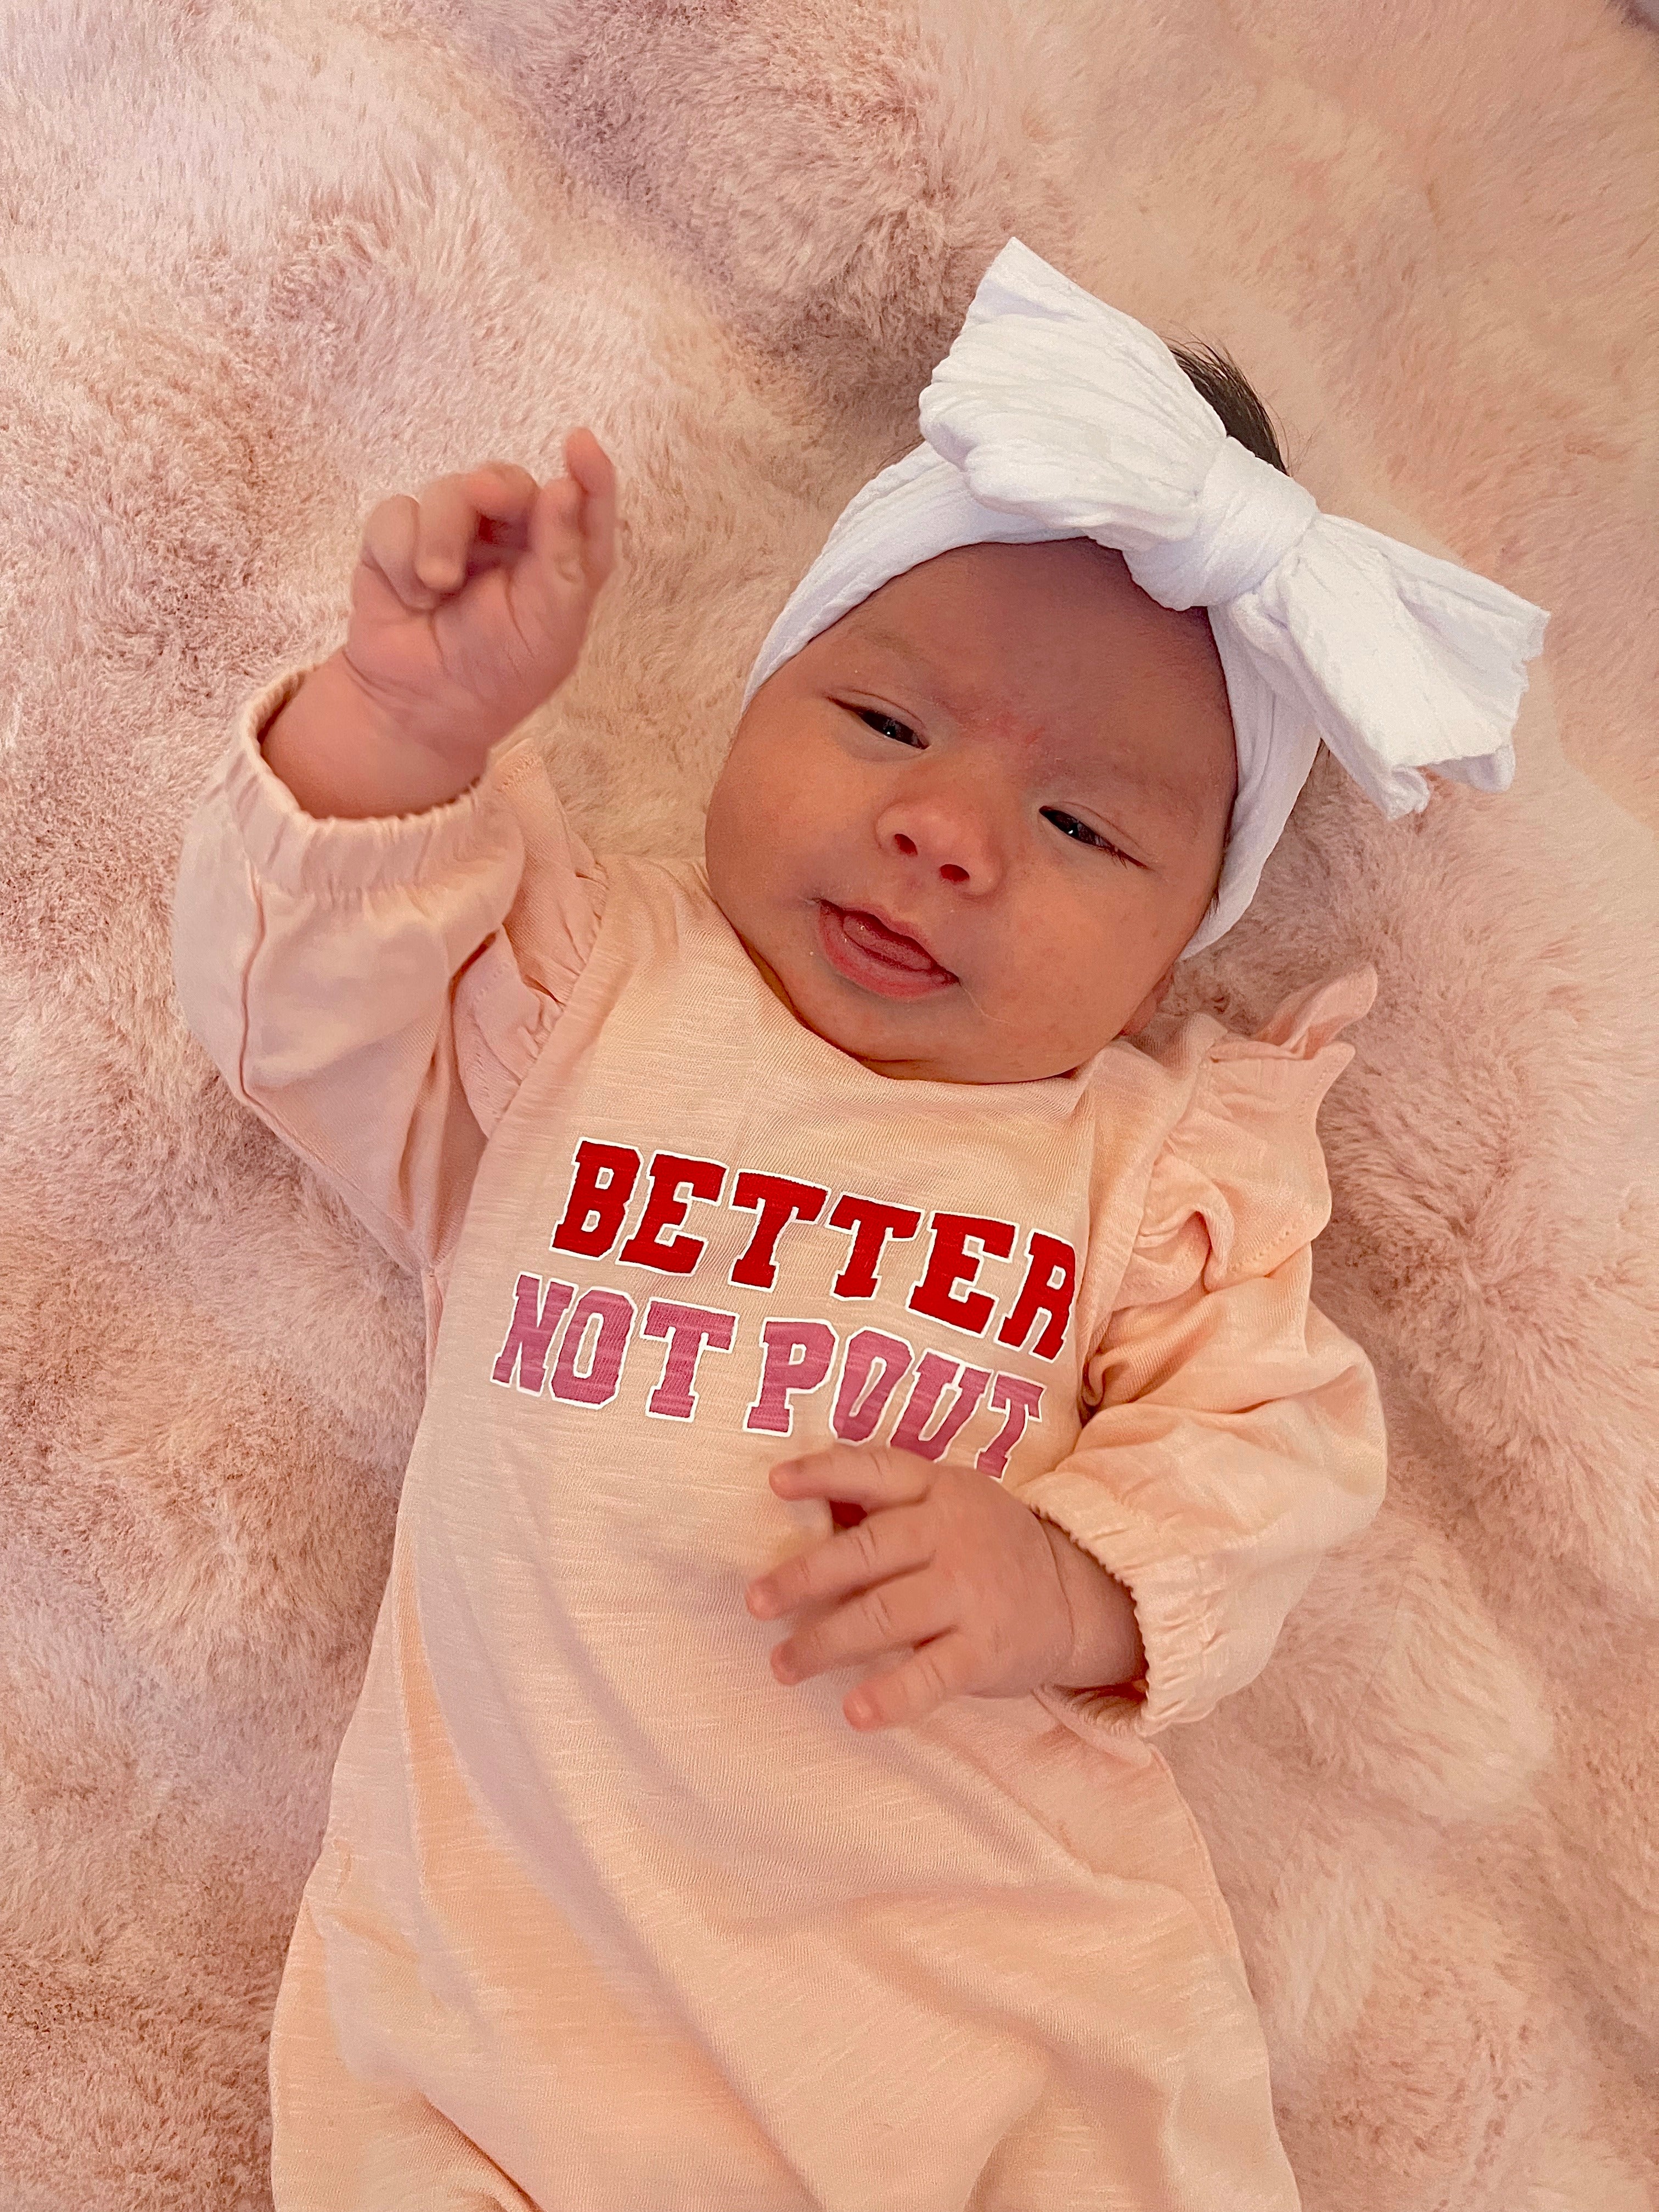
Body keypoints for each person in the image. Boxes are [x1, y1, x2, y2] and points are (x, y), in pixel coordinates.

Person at [171, 238, 1548, 2210]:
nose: (950, 833)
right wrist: (407, 726)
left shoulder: (1142, 1171)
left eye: (1083, 832)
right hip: (512, 2006)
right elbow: (291, 1002)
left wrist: (1072, 1578)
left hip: (995, 2026)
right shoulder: (588, 993)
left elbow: (1276, 1455)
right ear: (764, 693)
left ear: (1184, 938)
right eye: (887, 726)